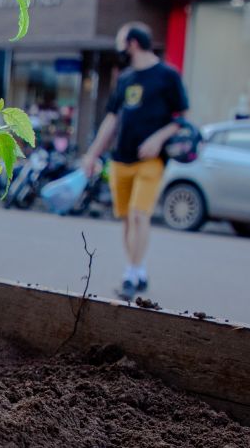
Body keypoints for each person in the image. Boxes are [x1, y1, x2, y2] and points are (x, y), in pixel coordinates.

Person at [80, 22, 189, 301]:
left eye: (120, 42)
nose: (118, 48)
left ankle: (130, 273)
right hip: (121, 160)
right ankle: (138, 271)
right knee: (128, 220)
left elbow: (182, 118)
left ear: (131, 43)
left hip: (151, 161)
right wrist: (92, 153)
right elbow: (112, 119)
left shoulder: (168, 76)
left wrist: (158, 139)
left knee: (141, 215)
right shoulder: (126, 78)